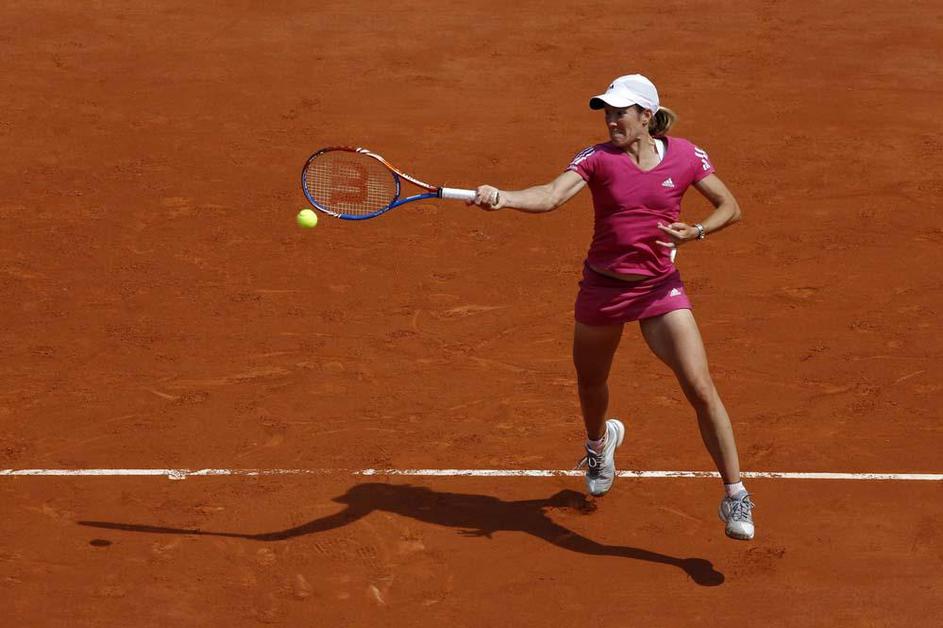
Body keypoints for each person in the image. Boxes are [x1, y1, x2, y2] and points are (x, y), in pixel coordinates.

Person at [469, 74, 754, 540]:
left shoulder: (685, 155)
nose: (611, 120)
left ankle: (735, 493)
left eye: (620, 112)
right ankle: (600, 445)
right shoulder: (597, 159)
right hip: (602, 288)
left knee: (700, 387)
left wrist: (698, 231)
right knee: (591, 382)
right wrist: (504, 198)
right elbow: (552, 195)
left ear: (646, 116)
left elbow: (731, 206)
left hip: (659, 289)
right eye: (607, 112)